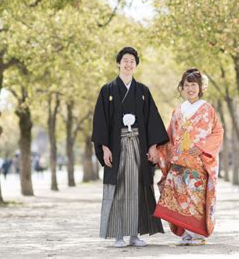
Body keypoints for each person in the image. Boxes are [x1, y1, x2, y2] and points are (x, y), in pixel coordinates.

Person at [92, 47, 169, 248]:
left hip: (138, 144)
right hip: (116, 146)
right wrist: (104, 147)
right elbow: (100, 122)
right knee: (118, 189)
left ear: (135, 65)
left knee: (136, 188)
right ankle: (119, 234)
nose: (128, 64)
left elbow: (152, 120)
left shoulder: (142, 91)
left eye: (132, 61)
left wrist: (153, 147)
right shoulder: (107, 90)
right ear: (119, 63)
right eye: (125, 60)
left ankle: (134, 234)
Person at [153, 68, 223, 246]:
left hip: (198, 162)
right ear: (182, 88)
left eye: (194, 85)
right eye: (186, 85)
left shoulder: (207, 109)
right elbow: (169, 135)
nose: (190, 88)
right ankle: (186, 233)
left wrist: (201, 147)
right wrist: (157, 149)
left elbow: (217, 132)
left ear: (200, 87)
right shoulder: (178, 110)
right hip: (178, 161)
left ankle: (197, 234)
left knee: (195, 197)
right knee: (180, 198)